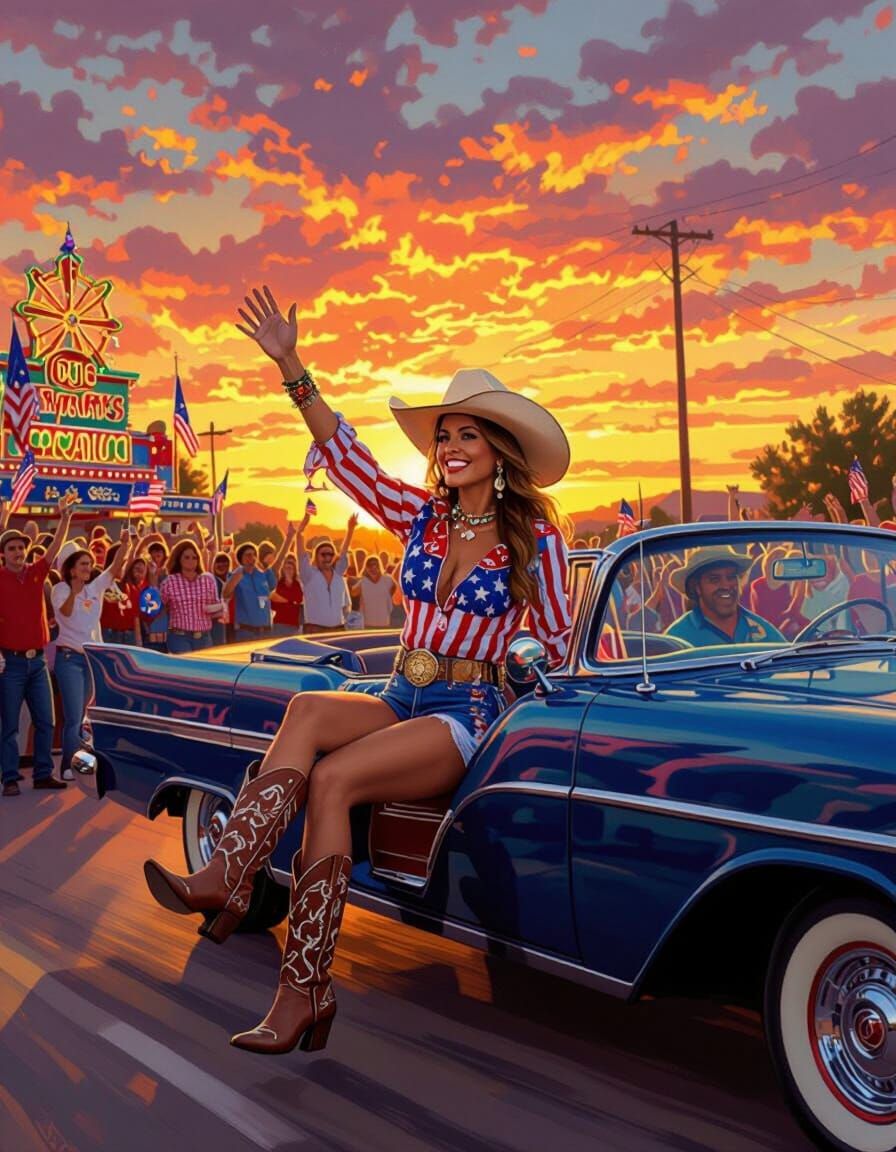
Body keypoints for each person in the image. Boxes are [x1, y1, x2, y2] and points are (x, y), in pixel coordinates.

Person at [143, 285, 572, 1055]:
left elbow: (559, 642)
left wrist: (523, 677)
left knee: (335, 780)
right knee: (309, 711)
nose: (449, 447)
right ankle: (231, 874)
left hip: (465, 712)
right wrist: (291, 363)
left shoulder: (536, 537)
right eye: (442, 436)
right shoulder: (422, 517)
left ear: (499, 449)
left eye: (465, 434)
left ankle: (304, 988)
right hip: (400, 691)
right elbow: (346, 456)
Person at [0, 497, 76, 796]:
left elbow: (56, 547)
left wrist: (65, 518)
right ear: (3, 554)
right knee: (10, 726)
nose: (19, 552)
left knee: (46, 721)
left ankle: (43, 773)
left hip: (38, 662)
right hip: (11, 663)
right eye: (12, 548)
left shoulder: (36, 573)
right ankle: (9, 777)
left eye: (21, 547)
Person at [52, 532, 138, 780]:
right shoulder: (59, 590)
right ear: (71, 569)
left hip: (91, 660)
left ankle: (84, 762)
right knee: (74, 716)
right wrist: (75, 590)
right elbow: (66, 613)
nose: (89, 568)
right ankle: (67, 765)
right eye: (83, 564)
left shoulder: (95, 587)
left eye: (89, 564)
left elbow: (115, 567)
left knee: (85, 714)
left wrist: (124, 542)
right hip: (69, 660)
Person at [666, 547, 785, 647]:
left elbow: (789, 669)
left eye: (731, 577)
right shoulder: (677, 637)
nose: (726, 585)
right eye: (714, 579)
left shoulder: (763, 630)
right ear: (697, 587)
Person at [224, 531, 295, 640]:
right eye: (248, 555)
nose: (252, 558)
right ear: (241, 558)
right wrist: (240, 572)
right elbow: (225, 594)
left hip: (266, 632)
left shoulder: (263, 575)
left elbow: (279, 562)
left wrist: (289, 538)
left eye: (254, 555)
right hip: (245, 633)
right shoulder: (236, 575)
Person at [160, 540, 223, 654]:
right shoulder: (170, 581)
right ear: (179, 558)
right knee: (185, 670)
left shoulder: (207, 580)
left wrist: (222, 608)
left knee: (205, 671)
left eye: (194, 557)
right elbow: (160, 607)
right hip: (179, 637)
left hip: (203, 636)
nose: (191, 561)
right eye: (187, 557)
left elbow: (215, 609)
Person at [298, 513, 357, 633]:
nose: (327, 557)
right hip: (315, 630)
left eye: (330, 554)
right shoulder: (309, 575)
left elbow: (344, 551)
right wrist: (300, 531)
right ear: (316, 556)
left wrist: (350, 529)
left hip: (338, 629)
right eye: (323, 554)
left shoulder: (338, 573)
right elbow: (301, 555)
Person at [350, 555, 399, 629]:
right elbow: (353, 594)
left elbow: (396, 593)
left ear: (380, 566)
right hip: (367, 624)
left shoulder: (388, 580)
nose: (373, 568)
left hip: (384, 623)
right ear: (366, 568)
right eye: (370, 565)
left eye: (376, 565)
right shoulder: (363, 582)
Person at [271, 554, 304, 636]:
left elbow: (298, 599)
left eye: (290, 568)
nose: (288, 571)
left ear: (294, 570)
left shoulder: (297, 584)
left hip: (293, 625)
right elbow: (273, 604)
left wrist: (283, 600)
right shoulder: (279, 584)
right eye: (286, 568)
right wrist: (290, 601)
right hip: (278, 623)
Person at [209, 551, 232, 646]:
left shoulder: (232, 581)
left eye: (225, 562)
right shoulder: (212, 581)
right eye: (218, 562)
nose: (222, 564)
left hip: (231, 625)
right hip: (216, 623)